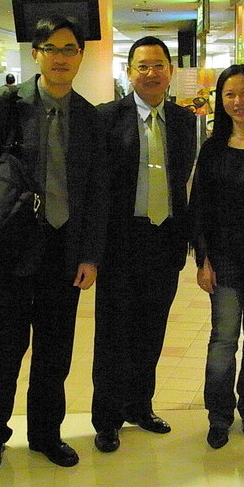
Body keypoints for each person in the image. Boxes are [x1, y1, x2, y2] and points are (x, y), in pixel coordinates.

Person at [0, 15, 107, 471]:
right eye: (51, 48)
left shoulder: (89, 116)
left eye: (69, 49)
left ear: (80, 55)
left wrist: (90, 255)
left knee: (54, 352)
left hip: (64, 249)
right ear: (36, 54)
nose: (61, 57)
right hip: (10, 243)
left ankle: (45, 434)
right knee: (3, 349)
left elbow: (96, 191)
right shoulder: (4, 103)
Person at [90, 36, 197, 453]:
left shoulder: (184, 121)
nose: (151, 73)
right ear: (129, 72)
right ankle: (107, 418)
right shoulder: (106, 117)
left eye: (159, 65)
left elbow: (181, 179)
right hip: (121, 242)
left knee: (152, 331)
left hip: (165, 239)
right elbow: (96, 188)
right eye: (143, 66)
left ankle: (140, 405)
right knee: (113, 334)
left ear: (170, 71)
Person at [189, 64, 244, 449]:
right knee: (223, 339)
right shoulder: (213, 149)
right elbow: (199, 208)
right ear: (220, 101)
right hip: (222, 260)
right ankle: (219, 415)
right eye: (230, 94)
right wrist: (202, 260)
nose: (238, 101)